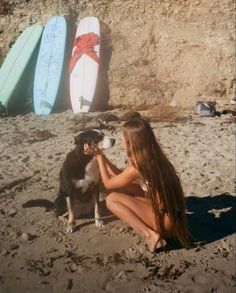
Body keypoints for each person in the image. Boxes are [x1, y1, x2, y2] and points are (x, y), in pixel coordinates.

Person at [84, 118, 189, 252]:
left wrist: (98, 158)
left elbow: (108, 184)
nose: (120, 140)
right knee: (123, 187)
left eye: (122, 138)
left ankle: (150, 234)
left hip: (167, 222)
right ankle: (155, 229)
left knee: (111, 199)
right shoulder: (151, 156)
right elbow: (120, 176)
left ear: (131, 141)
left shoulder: (138, 165)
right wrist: (101, 156)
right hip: (174, 217)